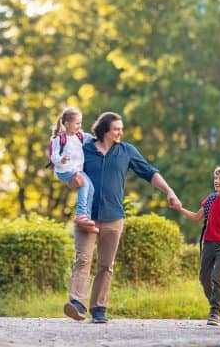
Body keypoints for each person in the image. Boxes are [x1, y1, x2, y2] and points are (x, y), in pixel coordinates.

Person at [63, 111, 182, 324]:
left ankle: (99, 308)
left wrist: (169, 191)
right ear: (104, 130)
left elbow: (149, 172)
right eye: (116, 129)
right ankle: (77, 304)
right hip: (87, 217)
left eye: (121, 129)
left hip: (113, 217)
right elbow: (68, 169)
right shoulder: (85, 149)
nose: (120, 132)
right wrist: (70, 180)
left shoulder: (126, 151)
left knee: (106, 265)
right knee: (83, 260)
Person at [171, 165, 220, 326]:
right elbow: (197, 217)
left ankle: (215, 312)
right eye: (215, 178)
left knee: (217, 277)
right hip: (208, 243)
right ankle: (216, 301)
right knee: (204, 278)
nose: (217, 181)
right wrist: (180, 208)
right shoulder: (210, 199)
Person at [49, 107, 98, 234]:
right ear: (66, 124)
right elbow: (53, 156)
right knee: (84, 183)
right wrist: (61, 160)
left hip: (76, 170)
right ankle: (81, 215)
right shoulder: (59, 139)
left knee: (91, 188)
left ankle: (86, 217)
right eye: (77, 123)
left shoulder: (80, 136)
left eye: (80, 123)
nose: (79, 126)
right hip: (63, 170)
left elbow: (93, 138)